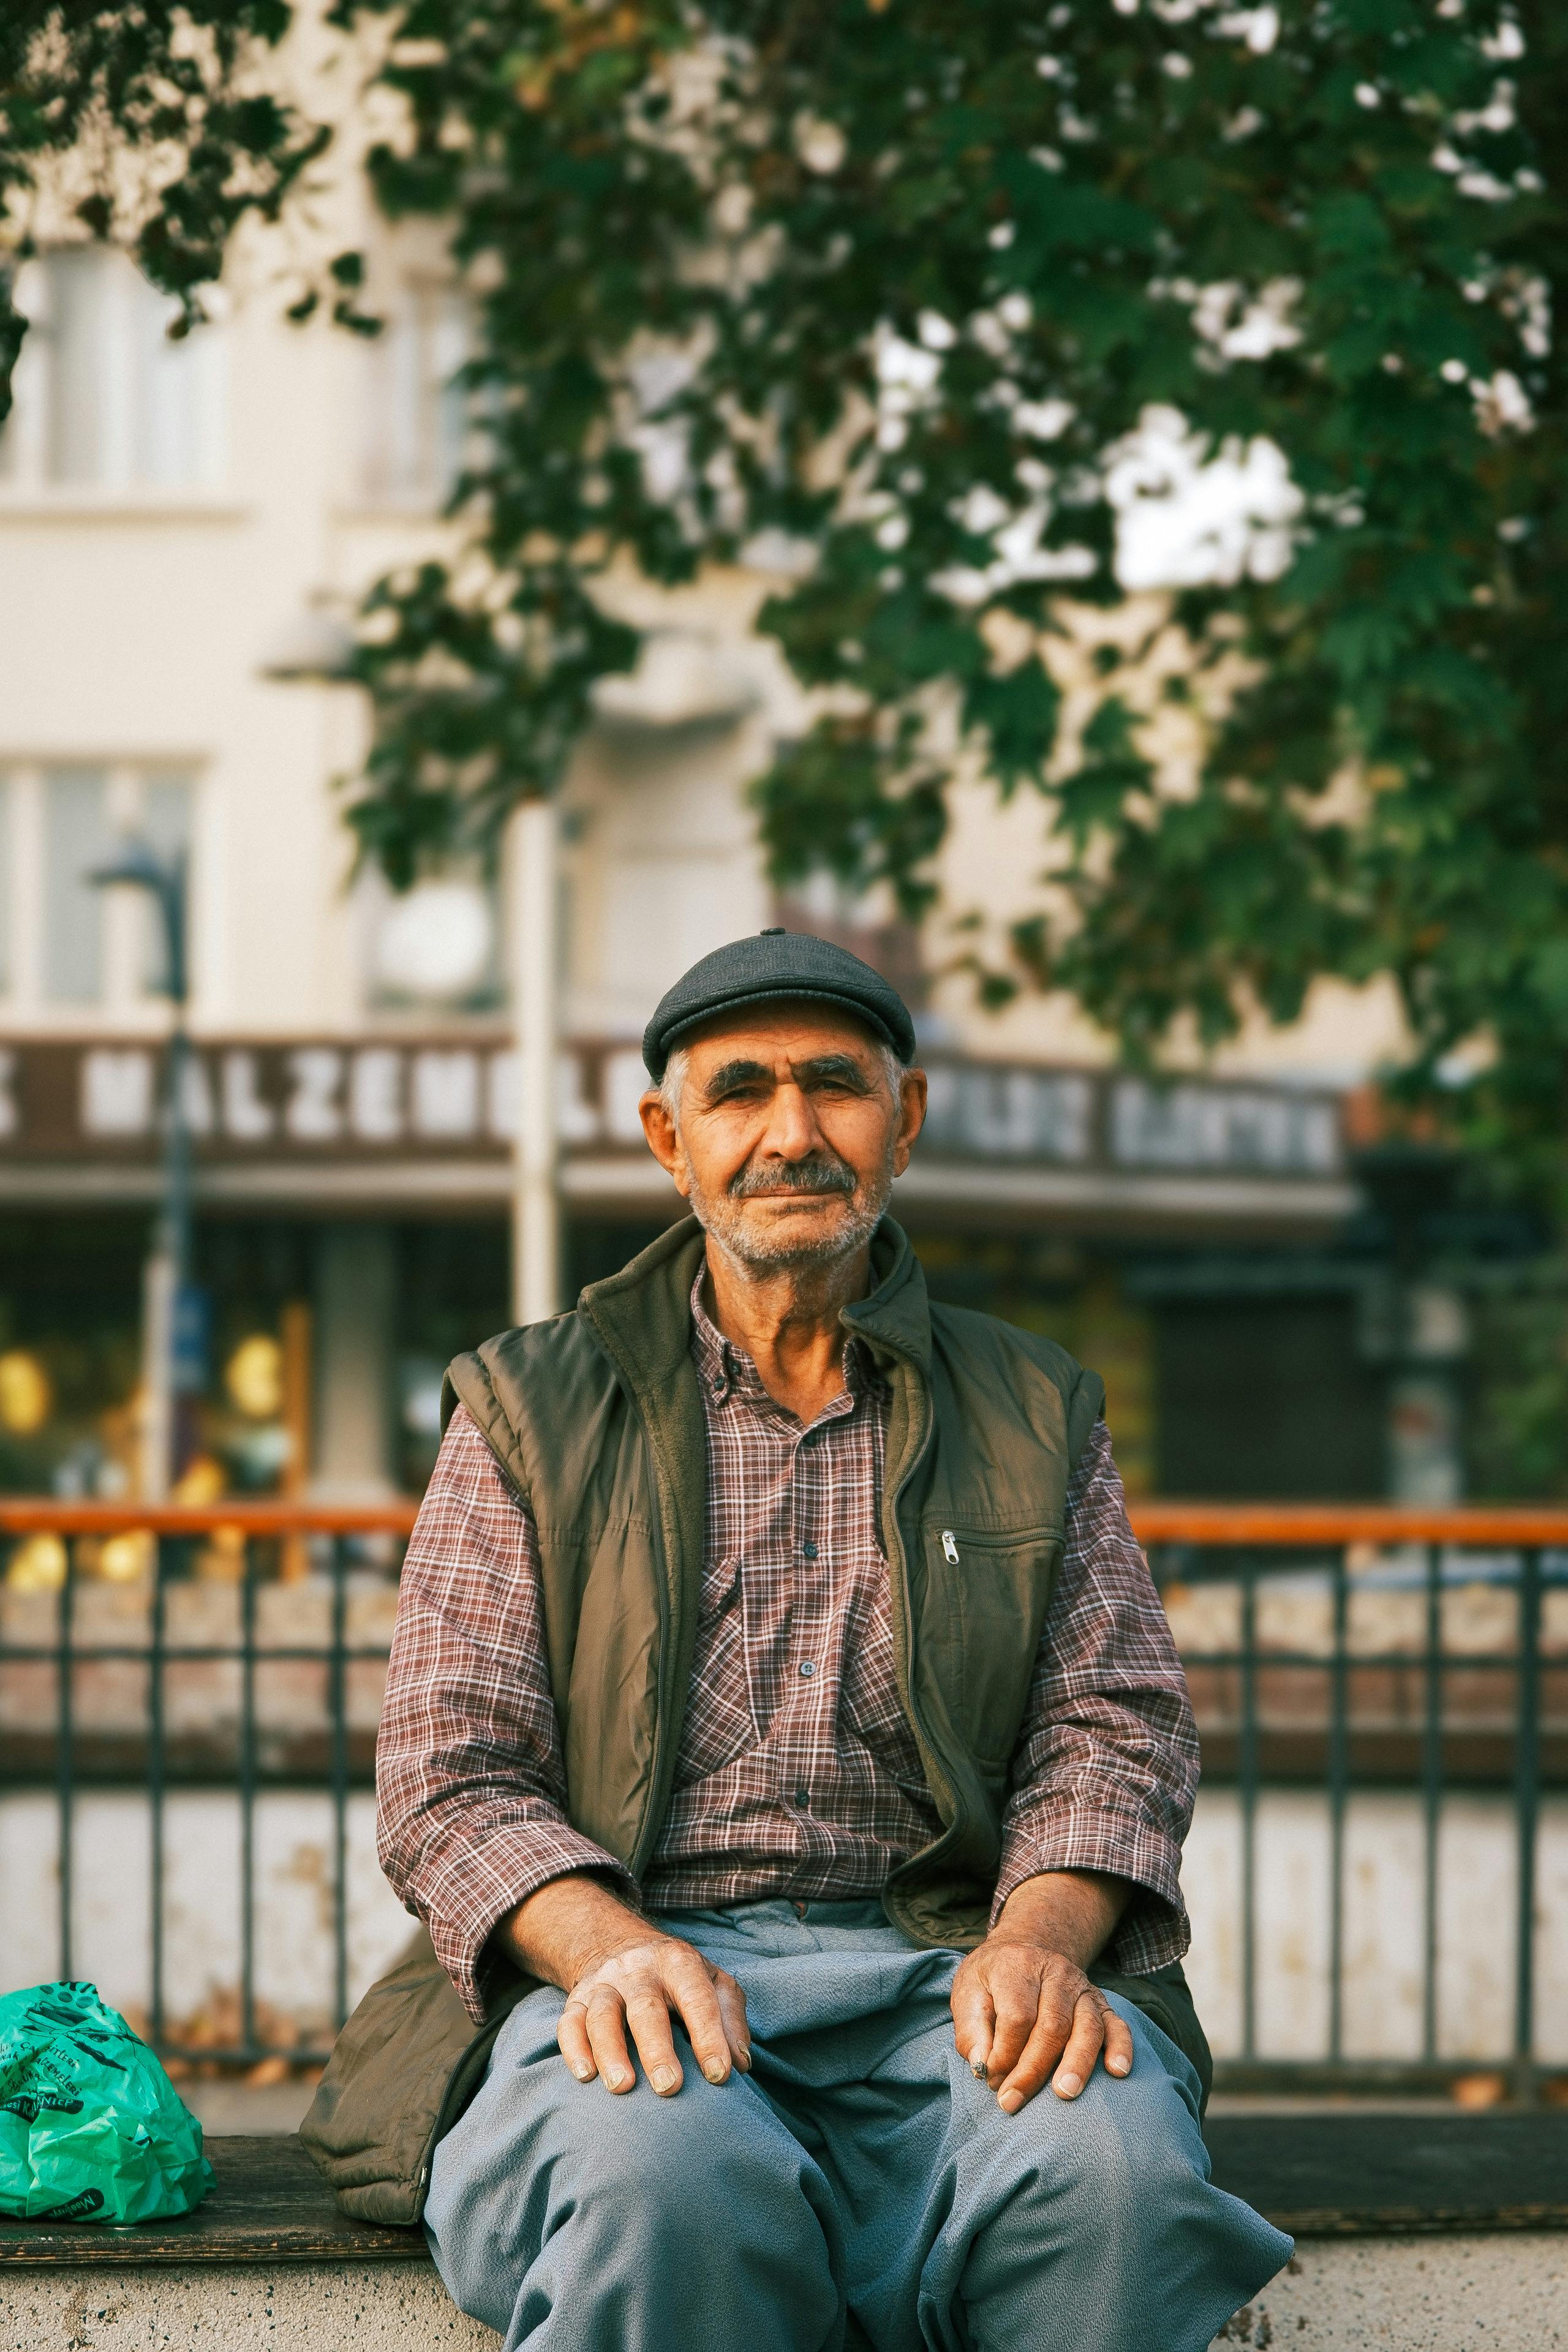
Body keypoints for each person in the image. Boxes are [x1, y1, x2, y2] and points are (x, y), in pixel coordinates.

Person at [373, 931, 1289, 2352]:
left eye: (833, 1087)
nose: (790, 1134)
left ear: (902, 1122)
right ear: (669, 1141)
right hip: (632, 1972)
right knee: (672, 2185)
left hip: (945, 1973)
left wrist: (1041, 1939)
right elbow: (450, 1769)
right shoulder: (529, 1410)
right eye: (740, 1092)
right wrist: (608, 1950)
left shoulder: (1032, 1406)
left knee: (1109, 2178)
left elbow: (1111, 1723)